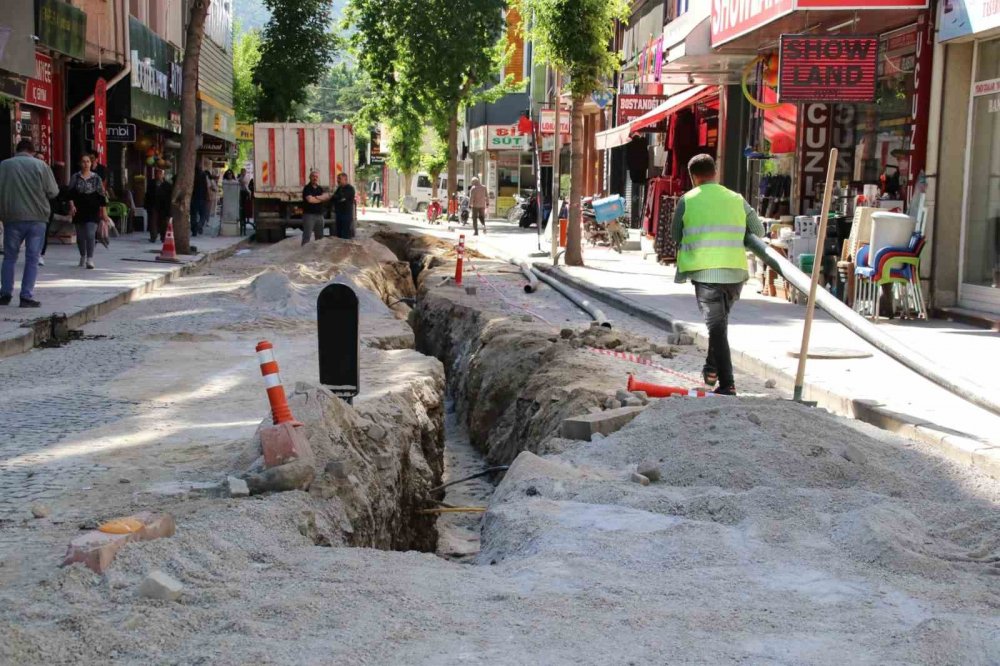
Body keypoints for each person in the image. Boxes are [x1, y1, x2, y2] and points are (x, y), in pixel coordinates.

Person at [671, 154, 763, 396]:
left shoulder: (687, 201)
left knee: (716, 328)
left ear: (693, 177)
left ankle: (727, 384)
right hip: (734, 273)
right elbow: (758, 230)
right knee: (719, 327)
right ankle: (711, 369)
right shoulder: (737, 199)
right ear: (715, 172)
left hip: (706, 273)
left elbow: (675, 234)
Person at [0, 139, 60, 307]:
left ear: (16, 150)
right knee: (32, 258)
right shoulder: (41, 166)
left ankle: (5, 294)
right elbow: (53, 191)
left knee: (9, 258)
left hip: (12, 217)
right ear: (32, 151)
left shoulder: (4, 165)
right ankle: (26, 296)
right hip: (37, 218)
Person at [66, 154, 109, 270]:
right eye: (83, 162)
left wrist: (104, 213)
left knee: (90, 234)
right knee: (80, 237)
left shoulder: (96, 178)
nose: (85, 164)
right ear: (80, 163)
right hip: (79, 210)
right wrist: (72, 205)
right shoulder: (75, 177)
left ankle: (90, 258)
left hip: (92, 210)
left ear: (91, 163)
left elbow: (102, 196)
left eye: (88, 162)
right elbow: (70, 193)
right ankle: (82, 256)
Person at [301, 169, 329, 245]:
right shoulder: (307, 188)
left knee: (320, 238)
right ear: (309, 178)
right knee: (307, 236)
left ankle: (318, 255)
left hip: (320, 216)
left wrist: (315, 197)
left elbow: (326, 197)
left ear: (318, 178)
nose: (315, 178)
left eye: (316, 177)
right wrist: (320, 198)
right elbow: (310, 200)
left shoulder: (320, 188)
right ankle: (304, 253)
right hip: (309, 215)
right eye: (313, 176)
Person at [144, 168, 172, 243]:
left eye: (160, 173)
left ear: (163, 175)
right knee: (153, 221)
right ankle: (153, 236)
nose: (158, 175)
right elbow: (147, 195)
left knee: (163, 223)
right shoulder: (151, 183)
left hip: (163, 206)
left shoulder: (167, 185)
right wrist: (146, 205)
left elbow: (169, 197)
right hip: (153, 205)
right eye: (157, 173)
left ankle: (163, 237)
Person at [331, 172, 356, 240]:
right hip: (339, 214)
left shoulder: (350, 188)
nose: (338, 180)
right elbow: (333, 198)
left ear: (345, 179)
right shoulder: (339, 188)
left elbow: (341, 198)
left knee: (345, 235)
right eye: (337, 179)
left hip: (346, 215)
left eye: (339, 179)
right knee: (339, 234)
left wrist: (335, 197)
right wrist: (335, 197)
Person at [190, 162, 210, 236]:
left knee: (193, 215)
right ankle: (199, 225)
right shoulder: (203, 175)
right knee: (203, 214)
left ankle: (194, 230)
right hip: (202, 198)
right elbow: (206, 186)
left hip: (193, 198)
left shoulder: (192, 175)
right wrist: (207, 196)